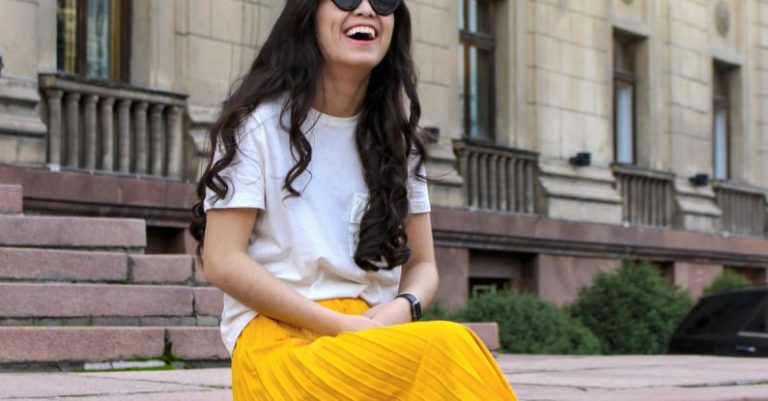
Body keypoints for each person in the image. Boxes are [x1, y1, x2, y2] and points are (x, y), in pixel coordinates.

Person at [189, 0, 520, 399]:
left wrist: (402, 308)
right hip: (280, 346)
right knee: (449, 349)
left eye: (382, 0)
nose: (365, 8)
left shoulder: (396, 142)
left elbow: (424, 265)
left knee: (450, 359)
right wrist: (342, 325)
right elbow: (222, 262)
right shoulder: (257, 125)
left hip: (371, 337)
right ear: (309, 13)